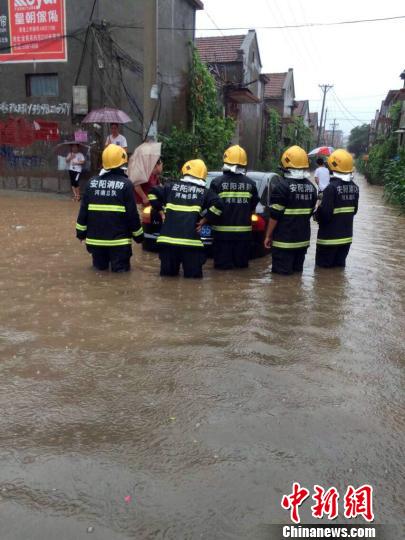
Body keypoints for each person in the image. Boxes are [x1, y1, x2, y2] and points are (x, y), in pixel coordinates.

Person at [148, 159, 223, 278]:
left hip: (168, 243)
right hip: (191, 244)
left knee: (167, 282)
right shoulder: (204, 192)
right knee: (193, 283)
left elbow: (152, 192)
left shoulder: (170, 187)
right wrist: (204, 221)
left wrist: (161, 212)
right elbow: (219, 205)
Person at [76, 144, 143, 272]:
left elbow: (83, 212)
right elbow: (132, 215)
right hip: (119, 244)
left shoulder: (92, 183)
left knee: (99, 277)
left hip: (95, 243)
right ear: (122, 164)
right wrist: (139, 237)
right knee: (121, 281)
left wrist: (80, 233)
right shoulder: (126, 185)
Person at [264, 145, 317, 275]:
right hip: (302, 241)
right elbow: (310, 212)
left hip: (284, 243)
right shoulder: (312, 188)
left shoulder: (282, 187)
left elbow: (274, 216)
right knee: (297, 277)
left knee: (280, 280)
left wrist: (268, 236)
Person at [209, 145, 259, 270]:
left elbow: (212, 207)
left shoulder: (216, 183)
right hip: (243, 236)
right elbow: (253, 207)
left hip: (222, 236)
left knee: (221, 271)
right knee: (241, 270)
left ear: (225, 162)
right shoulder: (251, 184)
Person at [315, 149, 359, 268]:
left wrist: (317, 212)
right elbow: (354, 211)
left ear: (332, 167)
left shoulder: (331, 188)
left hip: (329, 239)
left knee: (322, 276)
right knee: (338, 273)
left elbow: (325, 215)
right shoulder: (355, 187)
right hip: (346, 239)